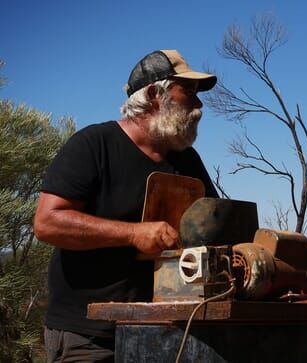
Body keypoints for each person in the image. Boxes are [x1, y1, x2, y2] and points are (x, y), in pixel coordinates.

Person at [33, 50, 219, 362]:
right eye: (187, 91)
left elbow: (212, 227)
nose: (198, 105)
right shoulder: (94, 144)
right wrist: (133, 233)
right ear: (153, 95)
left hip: (165, 332)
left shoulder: (187, 161)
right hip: (90, 336)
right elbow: (47, 223)